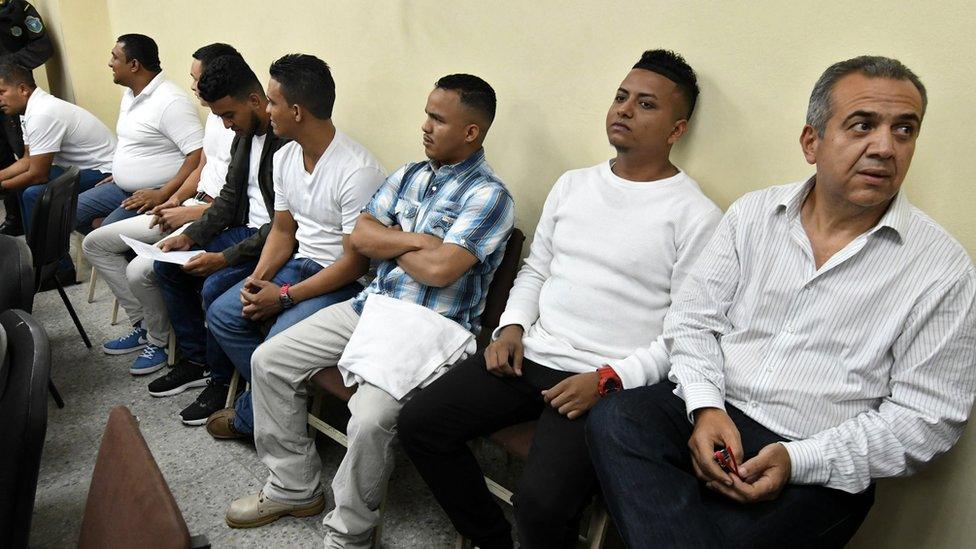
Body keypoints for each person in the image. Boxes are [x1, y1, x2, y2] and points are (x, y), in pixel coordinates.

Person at [586, 55, 976, 548]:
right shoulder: (753, 214)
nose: (885, 147)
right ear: (812, 142)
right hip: (717, 407)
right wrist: (706, 409)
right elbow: (692, 322)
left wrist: (800, 460)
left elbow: (928, 419)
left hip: (818, 454)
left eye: (904, 130)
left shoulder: (942, 268)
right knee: (617, 419)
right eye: (862, 126)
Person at [397, 49, 721, 549]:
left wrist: (610, 381)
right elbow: (537, 270)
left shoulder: (695, 215)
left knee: (542, 508)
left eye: (646, 105)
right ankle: (490, 538)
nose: (625, 110)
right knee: (420, 424)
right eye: (620, 97)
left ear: (677, 130)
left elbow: (686, 335)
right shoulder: (573, 185)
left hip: (603, 381)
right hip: (531, 354)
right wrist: (511, 327)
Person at [225, 74, 515, 549]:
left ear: (472, 132)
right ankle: (294, 486)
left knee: (369, 418)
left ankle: (350, 533)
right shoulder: (408, 174)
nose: (425, 126)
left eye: (438, 119)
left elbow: (442, 271)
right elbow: (359, 236)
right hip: (371, 307)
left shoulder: (490, 196)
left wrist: (392, 241)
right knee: (269, 360)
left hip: (431, 329)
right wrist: (418, 240)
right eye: (426, 113)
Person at [204, 53, 386, 440]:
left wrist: (284, 297)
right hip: (297, 265)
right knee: (224, 313)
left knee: (277, 343)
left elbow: (355, 264)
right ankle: (280, 406)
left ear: (298, 111)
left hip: (340, 283)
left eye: (272, 102)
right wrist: (257, 280)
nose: (266, 110)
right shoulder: (285, 156)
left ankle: (256, 420)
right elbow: (284, 231)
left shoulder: (358, 170)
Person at [148, 53, 288, 423]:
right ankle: (195, 360)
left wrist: (223, 259)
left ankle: (222, 380)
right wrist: (190, 235)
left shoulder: (285, 143)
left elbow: (284, 228)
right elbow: (227, 200)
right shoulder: (244, 135)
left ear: (255, 101)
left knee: (213, 286)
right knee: (167, 266)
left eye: (229, 115)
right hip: (243, 231)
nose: (226, 126)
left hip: (269, 240)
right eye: (219, 117)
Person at [81, 43, 238, 374]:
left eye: (198, 79)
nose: (193, 86)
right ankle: (146, 325)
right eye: (192, 78)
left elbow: (239, 202)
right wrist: (174, 198)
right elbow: (202, 168)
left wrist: (187, 211)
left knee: (140, 269)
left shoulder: (238, 124)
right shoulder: (214, 118)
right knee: (96, 243)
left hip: (213, 217)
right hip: (193, 205)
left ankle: (160, 340)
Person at [75, 33, 202, 234]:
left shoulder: (171, 101)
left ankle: (118, 242)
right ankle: (115, 240)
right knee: (68, 213)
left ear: (134, 65)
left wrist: (163, 193)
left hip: (155, 193)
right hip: (121, 188)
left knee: (104, 235)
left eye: (115, 57)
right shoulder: (130, 93)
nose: (110, 63)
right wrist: (121, 173)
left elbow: (197, 154)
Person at [0, 61, 114, 238]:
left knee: (35, 193)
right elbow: (27, 160)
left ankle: (54, 264)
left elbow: (38, 175)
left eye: (2, 92)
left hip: (104, 172)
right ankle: (35, 250)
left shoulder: (42, 113)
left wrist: (2, 187)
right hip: (78, 169)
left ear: (23, 89)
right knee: (22, 187)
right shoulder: (28, 110)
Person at [0, 0, 53, 237]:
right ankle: (14, 217)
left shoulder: (19, 9)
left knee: (26, 154)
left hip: (14, 94)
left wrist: (7, 68)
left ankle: (31, 219)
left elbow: (42, 46)